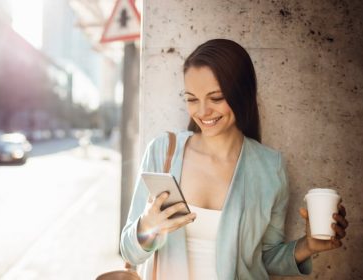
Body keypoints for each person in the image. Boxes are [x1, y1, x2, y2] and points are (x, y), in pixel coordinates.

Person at [120, 39, 349, 279]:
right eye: (191, 98)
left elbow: (265, 258)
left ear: (241, 94)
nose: (202, 111)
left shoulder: (270, 168)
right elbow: (129, 251)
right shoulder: (162, 151)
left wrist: (309, 245)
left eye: (216, 98)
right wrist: (146, 227)